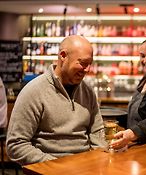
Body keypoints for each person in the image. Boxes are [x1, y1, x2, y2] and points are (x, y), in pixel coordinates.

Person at [6, 35, 107, 165]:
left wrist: (98, 160)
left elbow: (97, 132)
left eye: (89, 64)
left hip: (85, 166)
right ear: (63, 56)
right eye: (82, 63)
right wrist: (55, 166)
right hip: (49, 168)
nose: (87, 70)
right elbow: (16, 145)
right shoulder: (34, 91)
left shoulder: (87, 91)